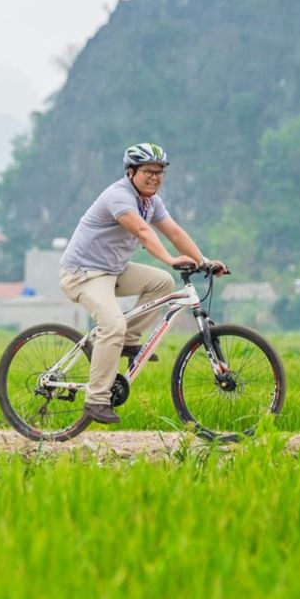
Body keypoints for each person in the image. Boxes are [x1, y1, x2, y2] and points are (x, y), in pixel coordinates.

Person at [58, 143, 227, 424]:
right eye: (149, 171)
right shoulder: (119, 197)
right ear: (131, 172)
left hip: (112, 270)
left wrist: (204, 260)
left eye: (160, 172)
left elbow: (173, 230)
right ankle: (96, 399)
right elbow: (142, 231)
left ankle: (126, 342)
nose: (155, 177)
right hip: (83, 273)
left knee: (162, 282)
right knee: (112, 324)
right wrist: (171, 259)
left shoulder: (151, 201)